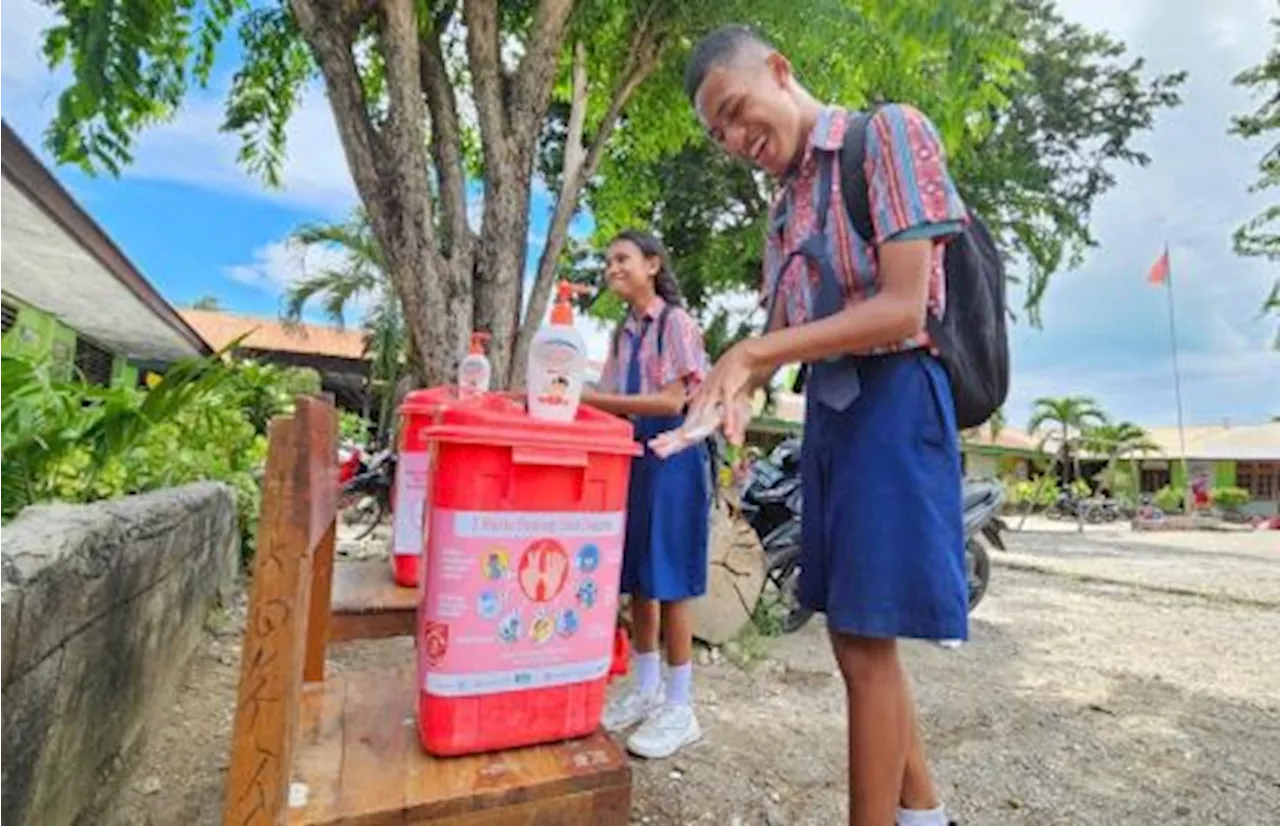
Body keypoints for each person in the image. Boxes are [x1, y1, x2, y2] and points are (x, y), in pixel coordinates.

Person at [681, 25, 968, 826]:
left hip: (898, 396)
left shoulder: (889, 136)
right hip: (831, 414)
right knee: (851, 634)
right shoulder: (783, 209)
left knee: (866, 638)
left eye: (738, 111)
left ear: (780, 70)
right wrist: (730, 395)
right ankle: (926, 814)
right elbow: (780, 342)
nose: (737, 140)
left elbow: (904, 304)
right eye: (719, 134)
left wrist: (756, 350)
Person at [581, 229, 712, 759]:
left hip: (674, 458)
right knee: (637, 574)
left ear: (653, 264)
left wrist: (597, 398)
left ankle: (681, 707)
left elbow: (672, 399)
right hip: (631, 457)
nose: (612, 268)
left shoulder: (675, 324)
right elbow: (612, 397)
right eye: (608, 260)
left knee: (672, 578)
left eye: (622, 259)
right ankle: (644, 688)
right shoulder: (623, 333)